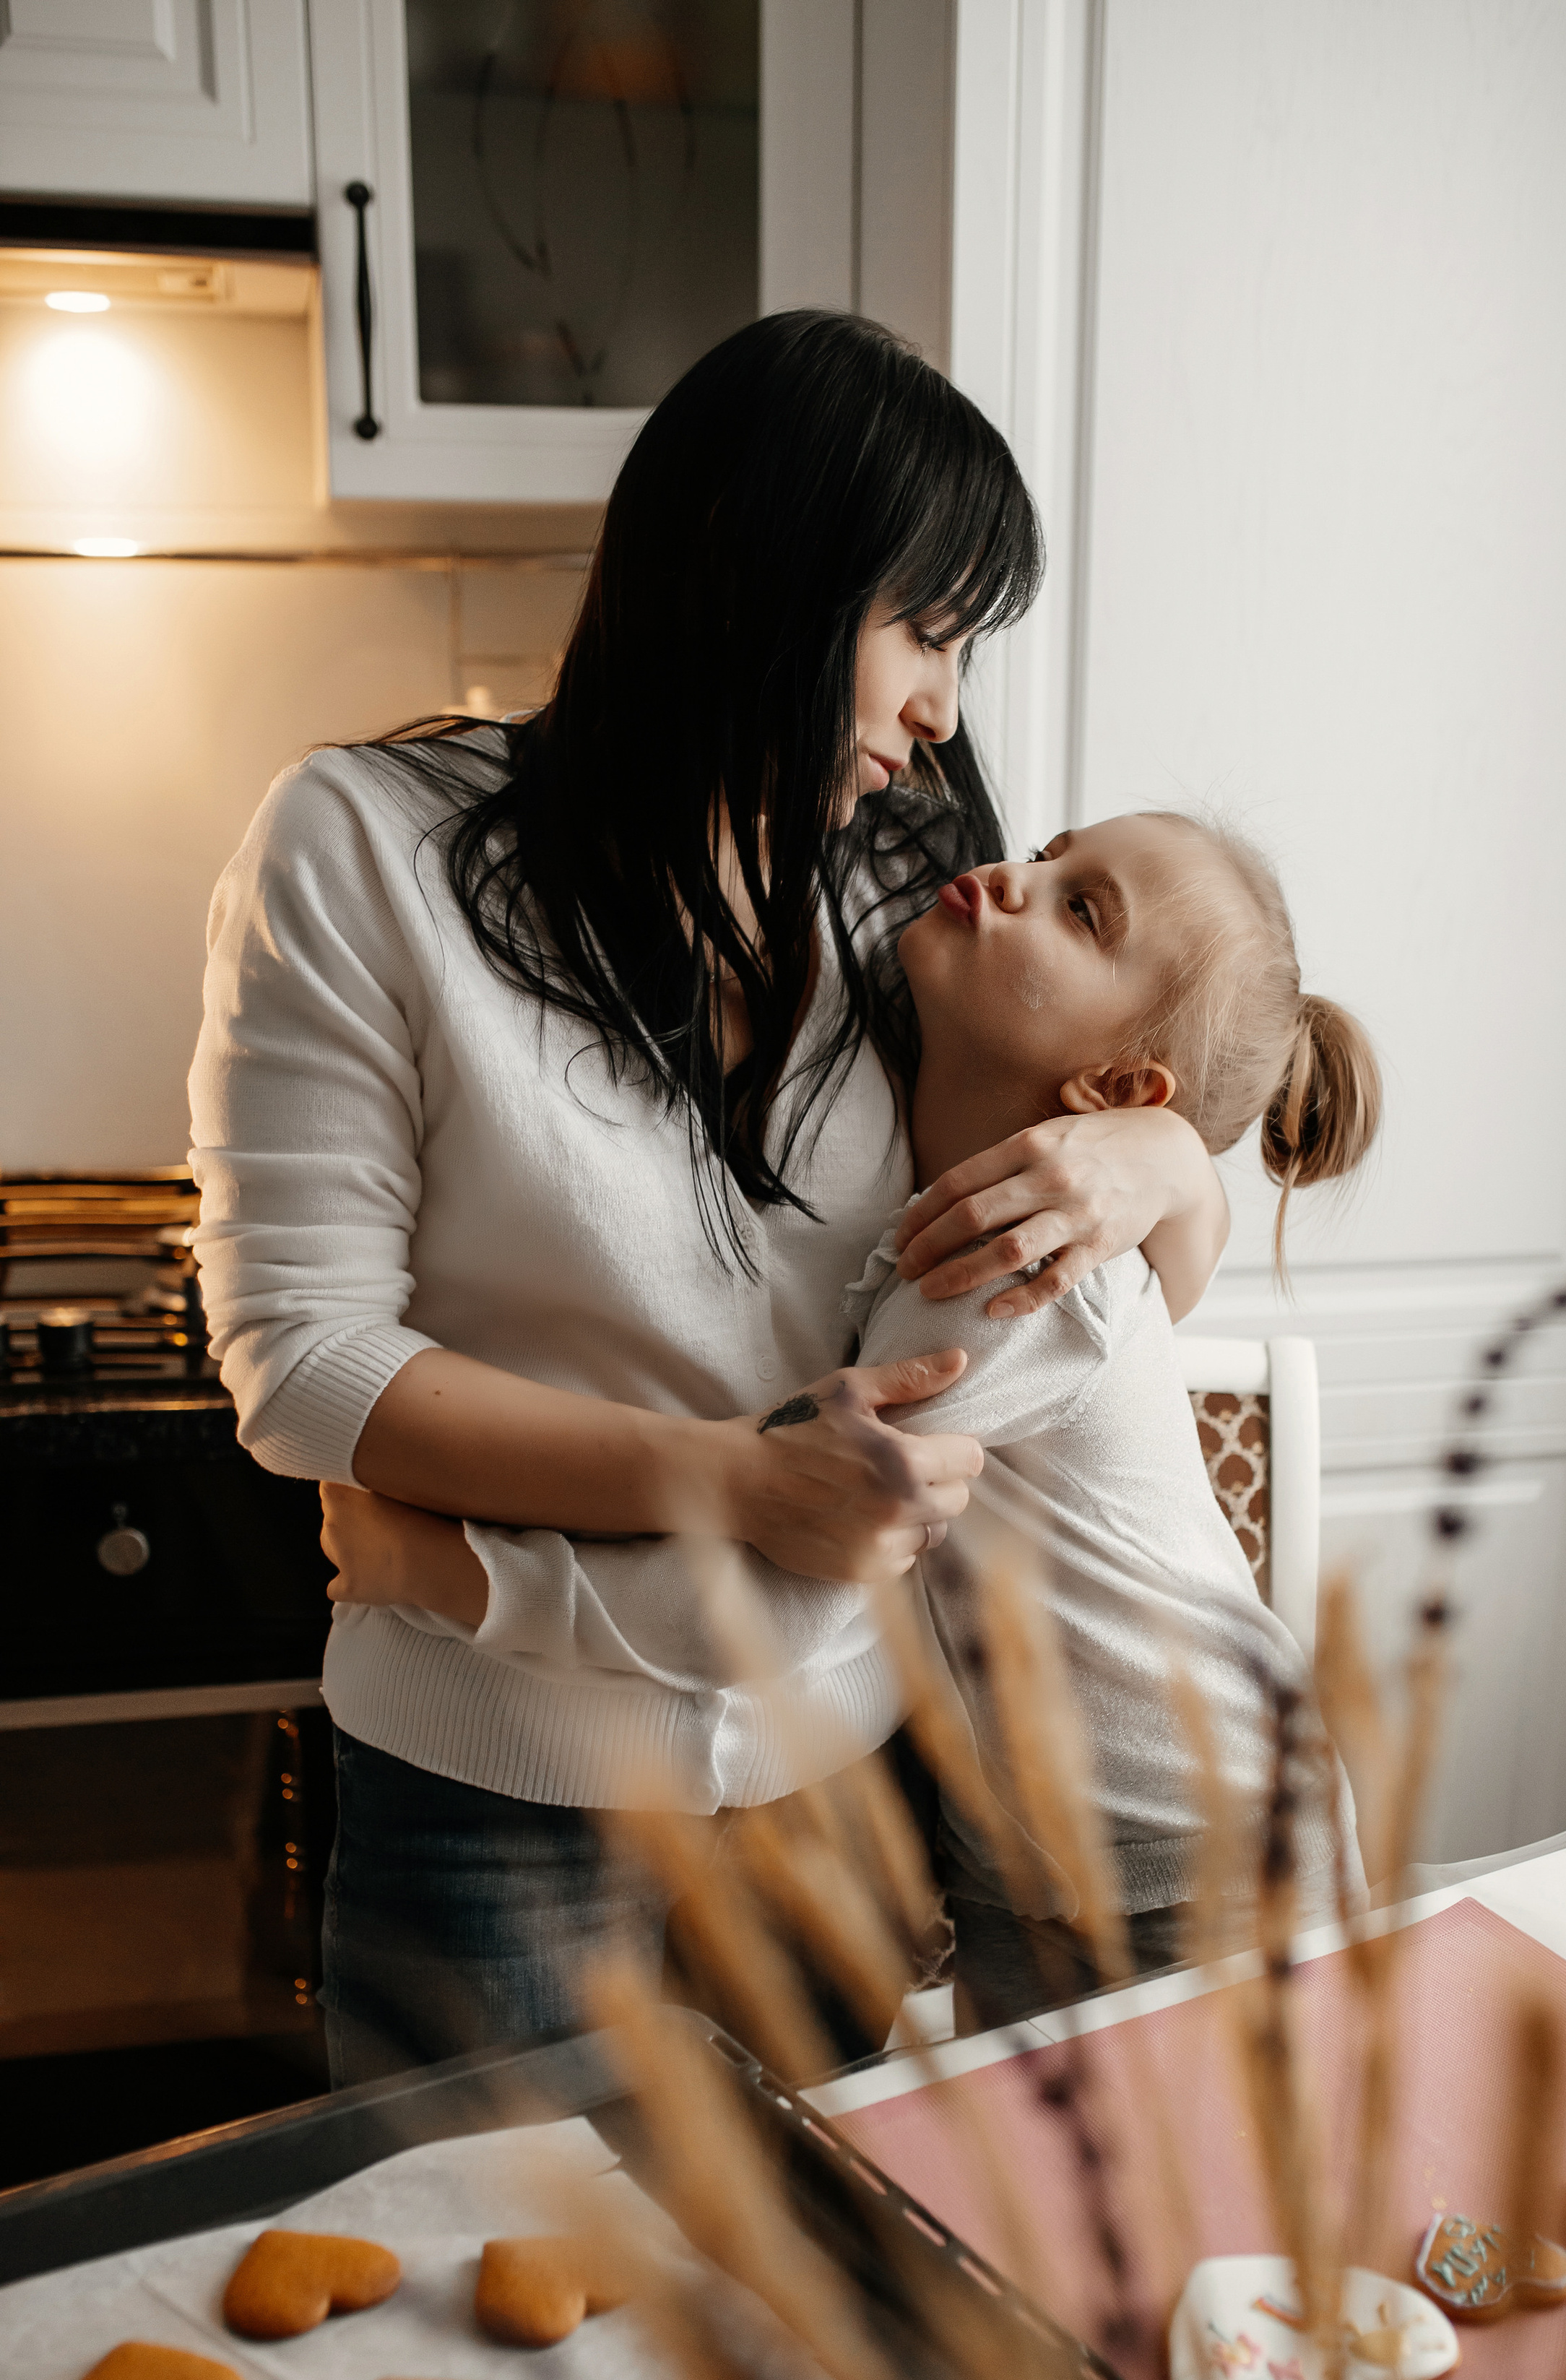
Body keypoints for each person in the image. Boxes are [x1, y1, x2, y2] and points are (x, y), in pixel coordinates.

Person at [188, 313, 1232, 2083]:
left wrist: (1167, 1157)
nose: (941, 709)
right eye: (924, 629)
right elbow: (302, 1368)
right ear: (761, 569)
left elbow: (1110, 1270)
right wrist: (739, 1485)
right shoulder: (360, 847)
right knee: (487, 2312)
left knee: (798, 2320)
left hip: (835, 1792)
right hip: (491, 1800)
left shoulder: (903, 886)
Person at [323, 808, 1381, 2031]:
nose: (1004, 879)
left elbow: (773, 1617)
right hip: (1049, 1872)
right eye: (1050, 856)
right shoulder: (966, 1214)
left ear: (1120, 1089)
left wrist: (452, 1572)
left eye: (1082, 911)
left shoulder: (1012, 1281)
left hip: (1192, 1872)